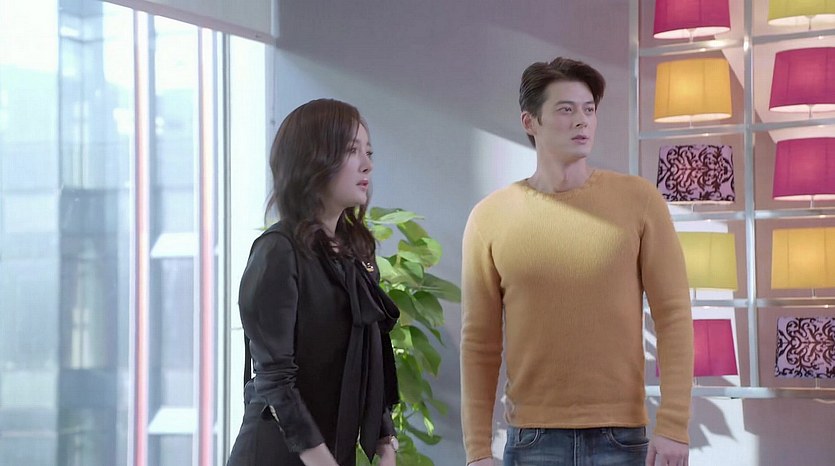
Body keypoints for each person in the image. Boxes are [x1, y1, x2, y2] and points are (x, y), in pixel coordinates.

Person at [460, 57, 694, 466]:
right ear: (530, 122)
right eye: (566, 109)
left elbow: (673, 315)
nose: (582, 120)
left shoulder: (638, 200)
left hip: (621, 437)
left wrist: (674, 424)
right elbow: (480, 342)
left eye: (589, 109)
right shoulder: (489, 217)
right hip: (533, 440)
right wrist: (477, 451)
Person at [228, 99, 400, 466]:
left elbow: (370, 357)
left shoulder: (355, 255)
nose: (367, 164)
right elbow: (275, 382)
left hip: (331, 452)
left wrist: (386, 440)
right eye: (351, 150)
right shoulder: (278, 251)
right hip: (277, 455)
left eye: (368, 152)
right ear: (313, 159)